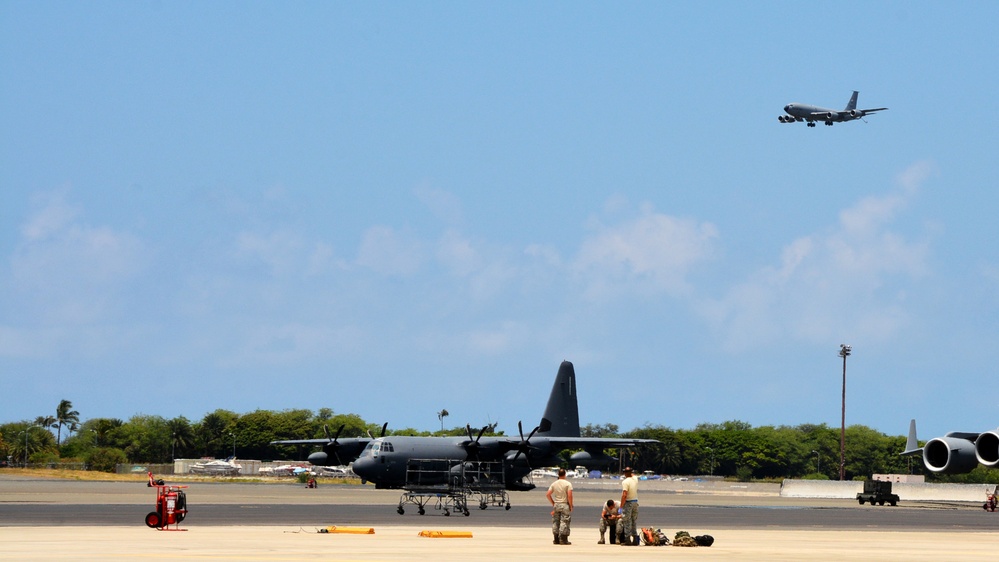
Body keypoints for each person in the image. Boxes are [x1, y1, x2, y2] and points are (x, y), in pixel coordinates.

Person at [546, 467, 574, 545]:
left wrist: (553, 503)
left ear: (558, 475)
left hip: (556, 504)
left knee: (556, 521)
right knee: (565, 521)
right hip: (564, 504)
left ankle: (556, 539)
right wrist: (571, 505)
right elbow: (570, 496)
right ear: (565, 475)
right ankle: (563, 539)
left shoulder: (554, 484)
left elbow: (548, 494)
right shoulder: (568, 484)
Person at [619, 466, 639, 546]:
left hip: (628, 502)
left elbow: (624, 494)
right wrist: (630, 472)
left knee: (627, 521)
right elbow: (633, 475)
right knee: (634, 521)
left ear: (625, 473)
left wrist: (621, 506)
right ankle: (635, 539)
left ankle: (627, 539)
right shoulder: (635, 479)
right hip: (635, 502)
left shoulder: (625, 482)